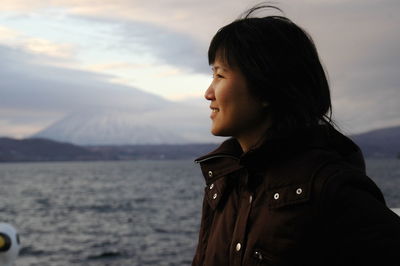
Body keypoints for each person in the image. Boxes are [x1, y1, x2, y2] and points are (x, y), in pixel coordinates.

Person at [191, 5, 400, 266]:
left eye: (220, 75)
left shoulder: (330, 186)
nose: (208, 93)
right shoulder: (224, 182)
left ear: (265, 87)